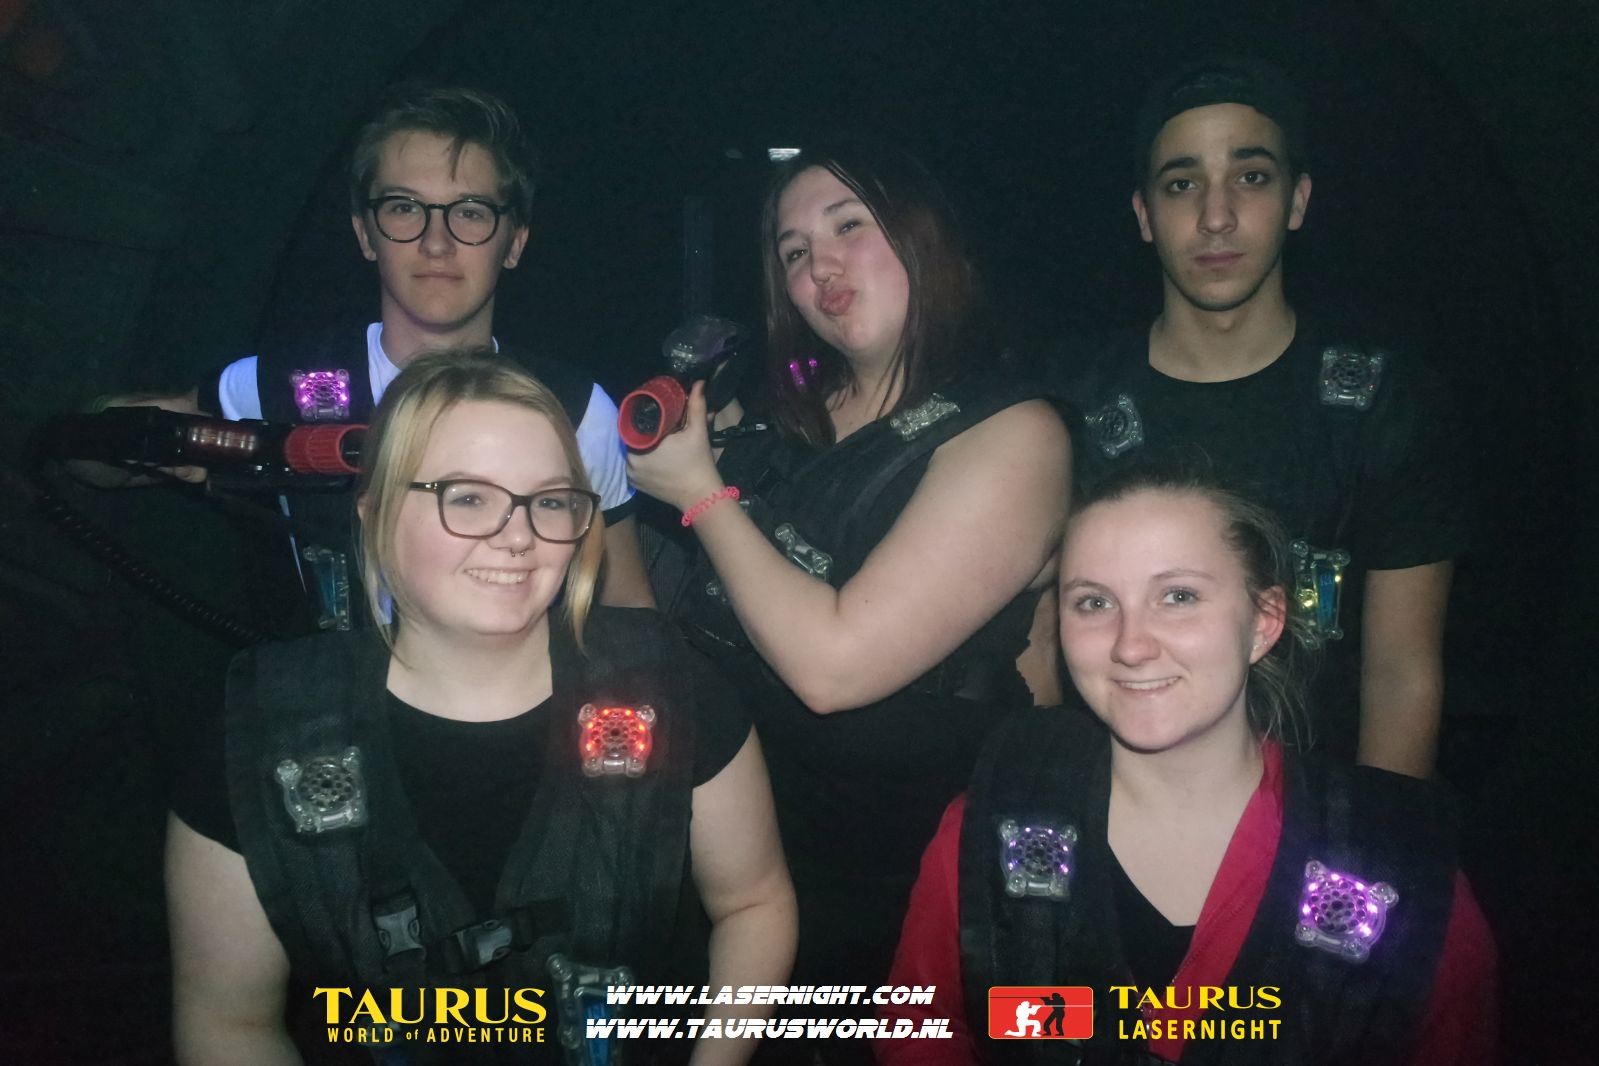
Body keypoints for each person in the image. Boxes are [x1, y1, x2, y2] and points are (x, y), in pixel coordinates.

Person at [165, 352, 796, 1064]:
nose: (518, 535)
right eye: (467, 497)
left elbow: (755, 905)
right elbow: (230, 1024)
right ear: (374, 511)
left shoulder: (673, 685)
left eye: (549, 500)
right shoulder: (262, 731)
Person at [626, 144, 1071, 1000]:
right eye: (793, 251)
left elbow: (834, 669)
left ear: (923, 233)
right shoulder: (781, 416)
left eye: (849, 227)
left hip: (903, 882)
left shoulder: (1013, 433)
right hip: (739, 858)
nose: (819, 266)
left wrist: (700, 495)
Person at [879, 465, 1496, 1064]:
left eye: (1178, 596)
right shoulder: (990, 829)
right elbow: (920, 1036)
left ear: (1264, 622)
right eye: (1093, 602)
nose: (1130, 645)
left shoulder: (1397, 873)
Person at [90, 84, 653, 627]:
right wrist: (122, 437)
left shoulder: (575, 410)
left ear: (515, 242)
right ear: (365, 233)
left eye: (471, 211)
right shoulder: (279, 385)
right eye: (405, 208)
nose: (437, 242)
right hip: (341, 683)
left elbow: (627, 609)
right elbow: (90, 460)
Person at [1056, 56, 1469, 778]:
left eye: (1250, 177)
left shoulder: (1382, 400)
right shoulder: (1073, 405)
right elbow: (1039, 633)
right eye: (1182, 183)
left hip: (1319, 800)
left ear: (1297, 200)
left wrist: (1378, 832)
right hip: (1117, 797)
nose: (1216, 216)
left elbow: (1401, 671)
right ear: (1144, 215)